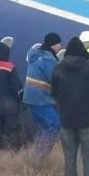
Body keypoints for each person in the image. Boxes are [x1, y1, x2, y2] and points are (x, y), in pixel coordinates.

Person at [52, 38, 89, 176]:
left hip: (66, 117)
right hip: (86, 117)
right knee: (88, 155)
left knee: (69, 154)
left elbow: (54, 93)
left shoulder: (58, 68)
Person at [24, 33, 63, 161]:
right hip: (41, 98)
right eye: (58, 43)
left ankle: (35, 156)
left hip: (31, 97)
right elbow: (55, 79)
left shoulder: (35, 55)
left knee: (45, 127)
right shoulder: (48, 59)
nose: (60, 46)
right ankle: (39, 158)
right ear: (52, 45)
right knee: (53, 125)